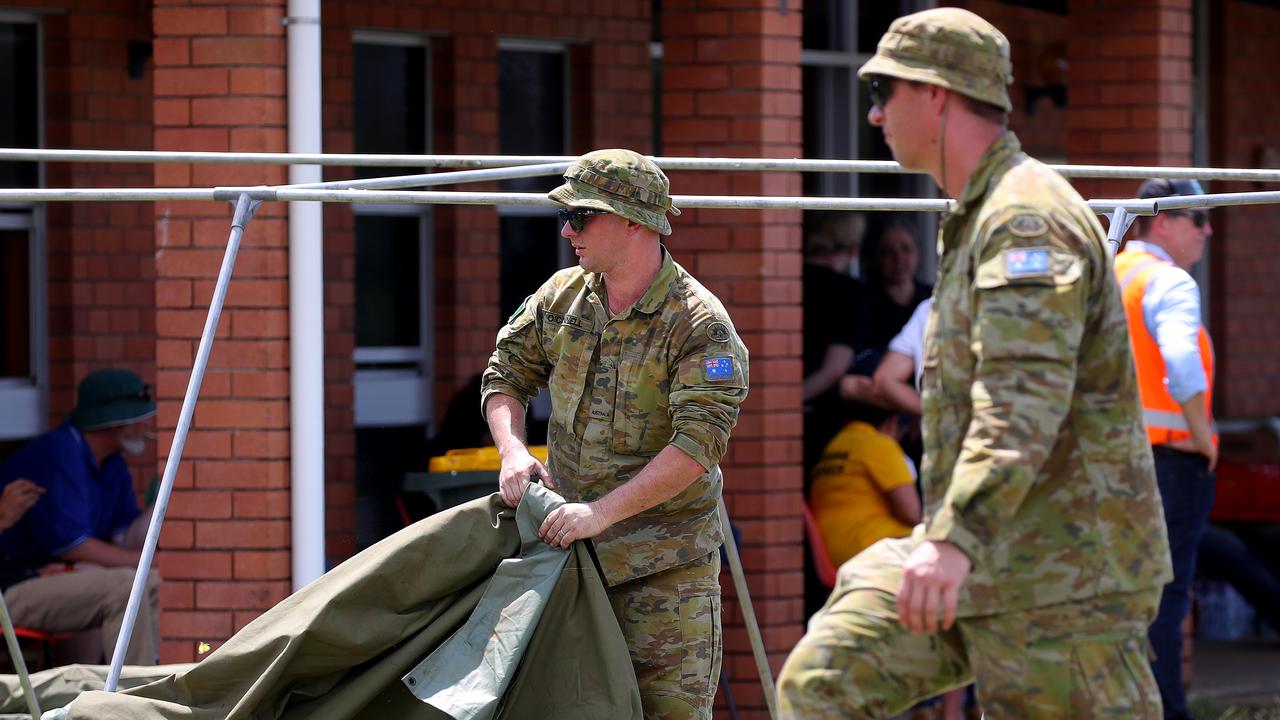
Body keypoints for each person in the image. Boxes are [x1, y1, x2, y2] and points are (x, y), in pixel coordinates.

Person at [777, 8, 1172, 718]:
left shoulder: (1026, 218)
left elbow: (1023, 403)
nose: (872, 116)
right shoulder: (973, 214)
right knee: (821, 683)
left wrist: (953, 540)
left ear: (937, 93)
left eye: (882, 92)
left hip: (1060, 571)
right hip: (978, 550)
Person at [480, 148, 749, 718]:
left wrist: (601, 513)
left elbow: (698, 445)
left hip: (664, 576)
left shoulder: (698, 321)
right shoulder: (562, 297)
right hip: (571, 564)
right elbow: (505, 373)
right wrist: (511, 452)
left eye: (580, 217)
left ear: (632, 221)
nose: (566, 230)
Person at [1115, 178, 1218, 719]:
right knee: (1163, 601)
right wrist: (1203, 437)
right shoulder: (1168, 281)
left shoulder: (1107, 273)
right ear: (1162, 221)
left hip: (1109, 466)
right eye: (1197, 217)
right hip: (1171, 463)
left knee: (1117, 599)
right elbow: (1180, 364)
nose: (1208, 228)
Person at [0, 368, 161, 666]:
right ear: (114, 421)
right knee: (127, 584)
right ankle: (139, 700)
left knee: (144, 578)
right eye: (139, 417)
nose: (148, 424)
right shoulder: (57, 453)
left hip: (46, 576)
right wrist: (143, 561)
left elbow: (123, 536)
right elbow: (72, 545)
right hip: (13, 586)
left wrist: (174, 496)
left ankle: (134, 685)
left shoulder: (112, 462)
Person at [809, 404, 919, 569]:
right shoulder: (879, 444)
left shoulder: (834, 446)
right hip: (872, 549)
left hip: (834, 555)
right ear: (893, 422)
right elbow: (912, 514)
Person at [803, 211, 869, 471]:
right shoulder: (847, 292)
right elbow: (834, 370)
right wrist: (789, 402)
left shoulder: (785, 279)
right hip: (821, 420)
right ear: (854, 248)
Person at [859, 216, 932, 353]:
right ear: (874, 257)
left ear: (918, 253)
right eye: (887, 252)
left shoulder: (933, 299)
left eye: (906, 249)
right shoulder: (860, 302)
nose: (898, 258)